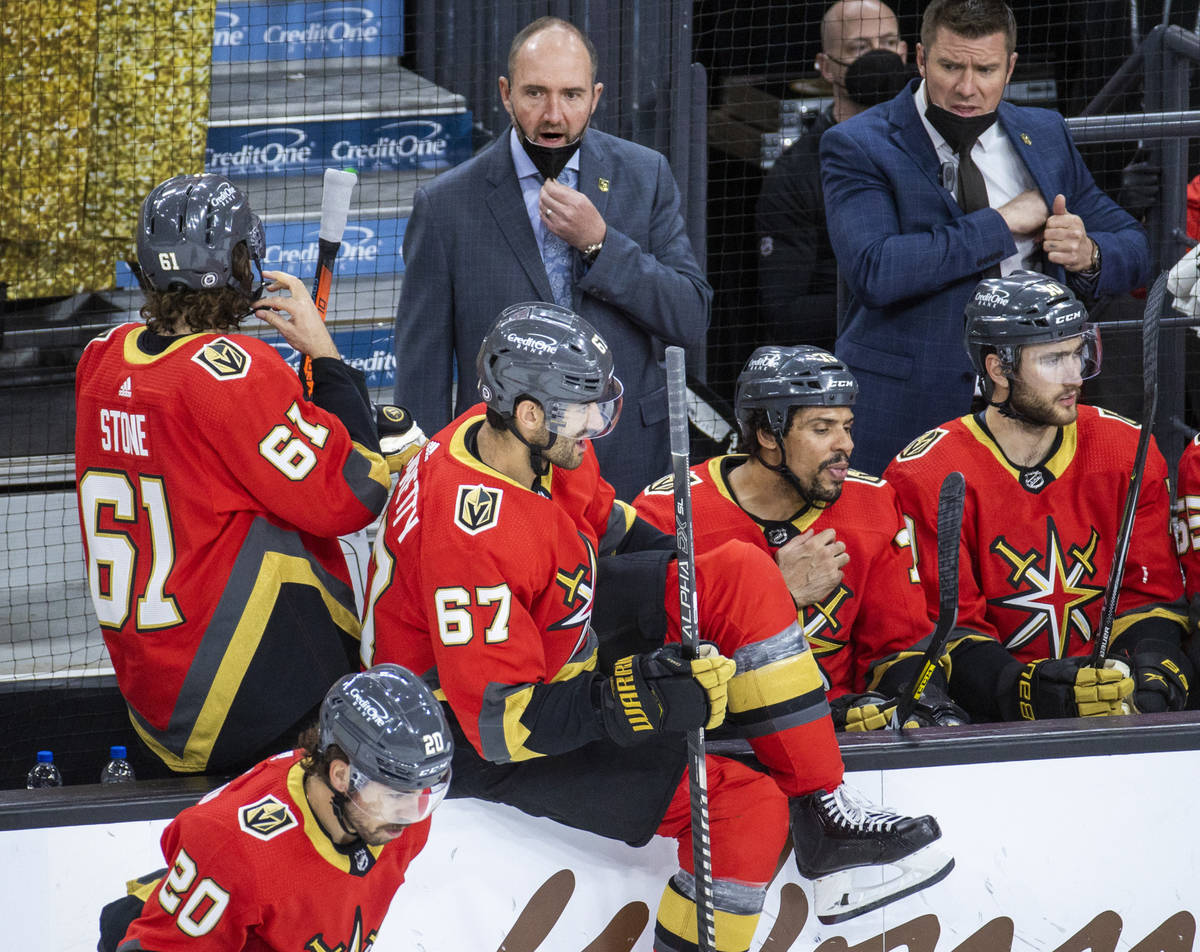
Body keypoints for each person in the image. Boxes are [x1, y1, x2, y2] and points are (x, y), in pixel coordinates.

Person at [363, 301, 953, 944]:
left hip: (553, 629)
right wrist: (631, 697)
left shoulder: (523, 439)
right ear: (530, 413)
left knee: (739, 571)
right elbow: (501, 728)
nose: (595, 424)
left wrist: (698, 584)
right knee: (747, 809)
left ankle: (823, 806)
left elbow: (613, 532)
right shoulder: (469, 536)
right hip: (472, 725)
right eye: (582, 408)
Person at [74, 173, 392, 776]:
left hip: (151, 687)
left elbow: (208, 467)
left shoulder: (100, 359)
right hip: (244, 691)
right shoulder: (229, 372)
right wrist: (325, 358)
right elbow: (356, 492)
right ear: (241, 262)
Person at [820, 0, 1152, 476]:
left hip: (1033, 407)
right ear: (919, 58)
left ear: (1011, 66)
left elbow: (1135, 245)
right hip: (909, 408)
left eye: (986, 69)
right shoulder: (859, 143)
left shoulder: (1045, 132)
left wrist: (1088, 252)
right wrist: (1004, 222)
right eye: (950, 65)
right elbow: (877, 269)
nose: (966, 87)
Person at [390, 16, 711, 500]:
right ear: (505, 93)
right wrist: (426, 486)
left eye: (572, 95)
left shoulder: (647, 177)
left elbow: (690, 314)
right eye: (535, 93)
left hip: (624, 460)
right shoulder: (445, 205)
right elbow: (422, 373)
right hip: (498, 472)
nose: (554, 115)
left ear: (596, 97)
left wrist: (601, 243)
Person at [878, 272, 1191, 722]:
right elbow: (953, 632)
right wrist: (1028, 692)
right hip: (991, 729)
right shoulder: (926, 474)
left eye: (1078, 355)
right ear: (998, 369)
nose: (1075, 377)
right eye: (1053, 360)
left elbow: (1148, 596)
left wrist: (1149, 671)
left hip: (1115, 708)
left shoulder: (1126, 448)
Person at [633, 345, 965, 731]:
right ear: (767, 434)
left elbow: (898, 645)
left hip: (849, 729)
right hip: (722, 741)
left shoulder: (872, 501)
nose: (846, 445)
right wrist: (775, 592)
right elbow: (657, 664)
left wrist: (918, 700)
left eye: (847, 426)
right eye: (822, 428)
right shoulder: (669, 512)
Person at [100, 664, 452, 952]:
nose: (412, 815)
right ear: (341, 776)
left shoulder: (398, 815)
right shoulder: (232, 847)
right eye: (395, 796)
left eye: (425, 794)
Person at [755, 0, 911, 351]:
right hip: (846, 359)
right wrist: (903, 301)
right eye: (859, 47)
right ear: (825, 66)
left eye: (887, 44)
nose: (878, 57)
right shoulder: (795, 173)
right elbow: (785, 312)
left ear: (904, 52)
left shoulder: (934, 149)